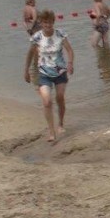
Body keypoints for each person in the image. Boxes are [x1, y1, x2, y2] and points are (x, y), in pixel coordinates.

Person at [24, 9, 74, 142]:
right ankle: (52, 132)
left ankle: (61, 123)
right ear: (41, 23)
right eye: (45, 23)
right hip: (44, 73)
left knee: (60, 97)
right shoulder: (37, 37)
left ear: (53, 22)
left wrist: (70, 63)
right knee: (47, 102)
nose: (48, 25)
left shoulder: (60, 34)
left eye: (50, 22)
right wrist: (26, 70)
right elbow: (29, 54)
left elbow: (69, 50)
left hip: (60, 72)